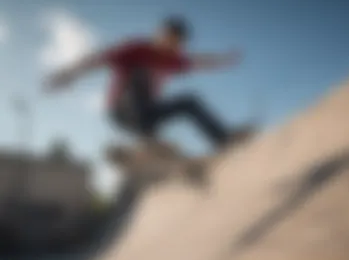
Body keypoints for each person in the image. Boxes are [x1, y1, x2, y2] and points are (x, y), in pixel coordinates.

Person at [44, 15, 252, 155]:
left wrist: (225, 59)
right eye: (167, 40)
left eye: (176, 44)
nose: (170, 47)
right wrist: (66, 74)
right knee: (139, 74)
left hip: (149, 113)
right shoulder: (136, 49)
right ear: (159, 34)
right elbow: (96, 59)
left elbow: (199, 61)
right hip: (121, 111)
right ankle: (148, 139)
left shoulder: (173, 59)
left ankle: (223, 140)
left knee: (191, 102)